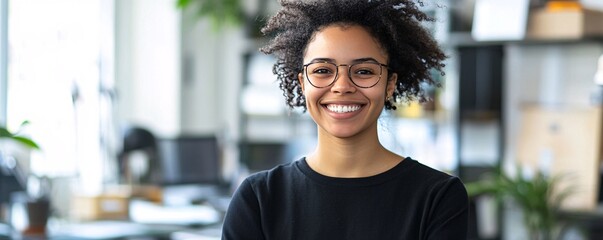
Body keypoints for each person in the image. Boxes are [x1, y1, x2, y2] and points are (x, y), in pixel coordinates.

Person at [222, 0, 469, 239]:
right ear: (302, 83)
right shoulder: (258, 198)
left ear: (389, 84)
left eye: (363, 71)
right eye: (322, 71)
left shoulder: (438, 197)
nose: (342, 86)